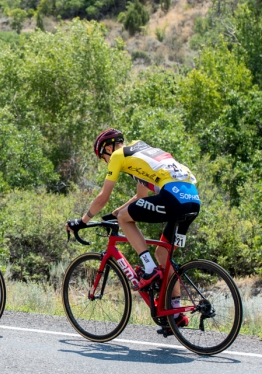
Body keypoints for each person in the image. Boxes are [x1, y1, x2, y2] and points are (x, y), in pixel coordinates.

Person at [66, 128, 200, 332]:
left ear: (108, 148)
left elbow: (103, 197)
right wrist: (115, 213)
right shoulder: (139, 150)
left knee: (124, 219)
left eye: (103, 156)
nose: (105, 161)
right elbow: (141, 198)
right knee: (163, 253)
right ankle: (175, 313)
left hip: (173, 197)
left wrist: (83, 221)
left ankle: (148, 269)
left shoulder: (118, 156)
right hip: (191, 199)